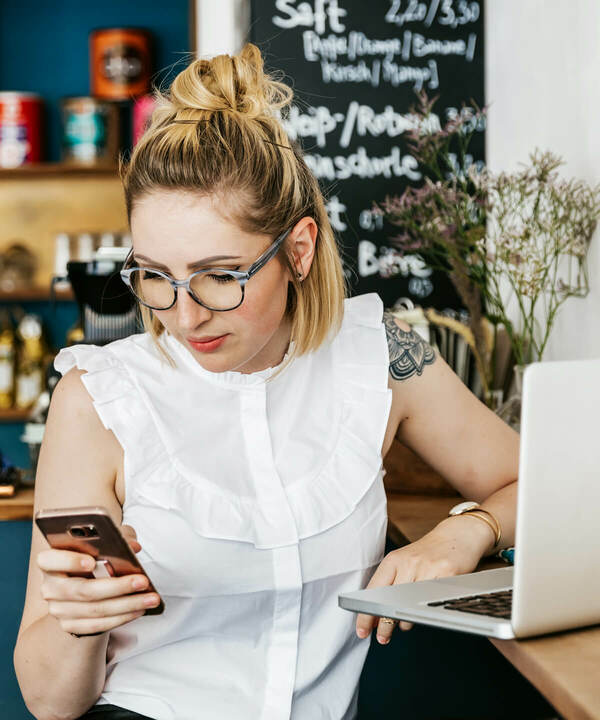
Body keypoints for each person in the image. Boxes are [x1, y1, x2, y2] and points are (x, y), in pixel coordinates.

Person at [13, 44, 519, 720]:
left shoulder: (382, 355)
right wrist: (81, 622)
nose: (183, 315)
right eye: (155, 277)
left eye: (221, 275)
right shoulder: (98, 398)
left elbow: (545, 486)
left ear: (300, 250)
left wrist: (467, 531)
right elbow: (48, 702)